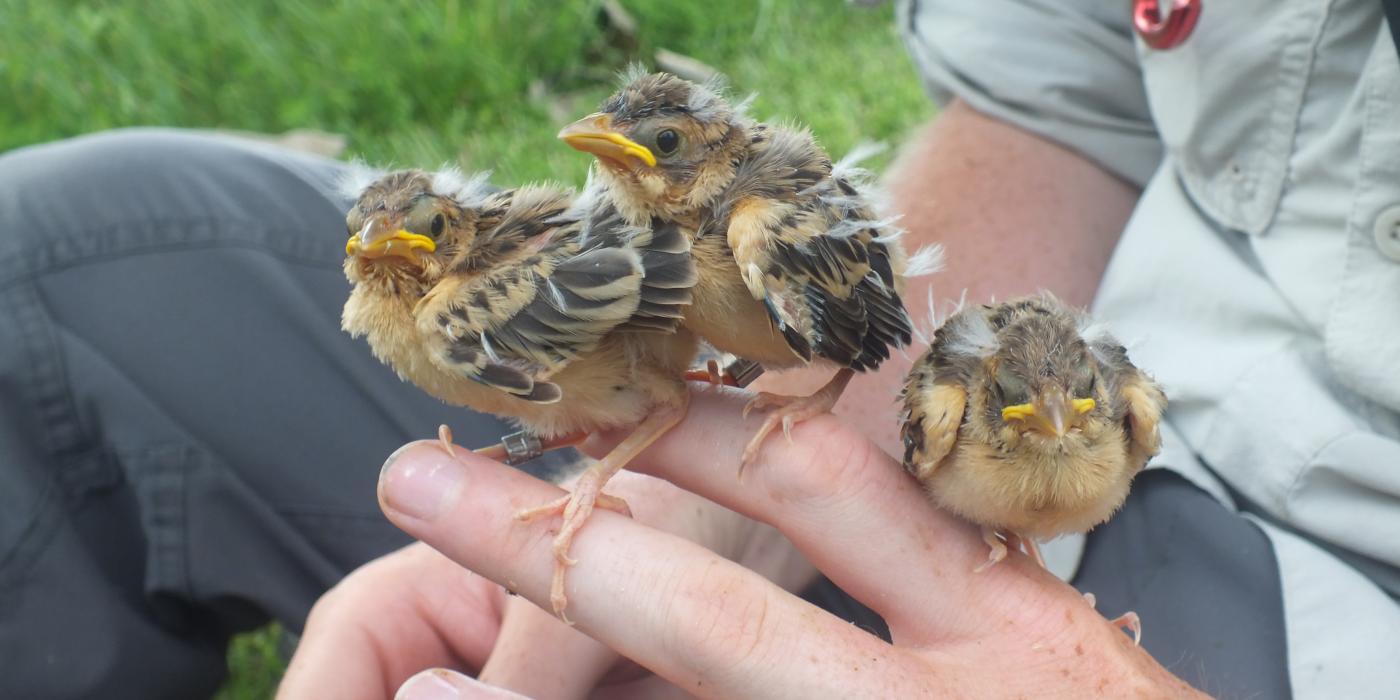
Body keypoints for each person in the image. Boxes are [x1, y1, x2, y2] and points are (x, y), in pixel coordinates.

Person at [2, 2, 1396, 699]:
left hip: (1323, 623)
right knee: (52, 278)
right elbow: (1064, 104)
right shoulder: (675, 241)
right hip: (1008, 400)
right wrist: (732, 488)